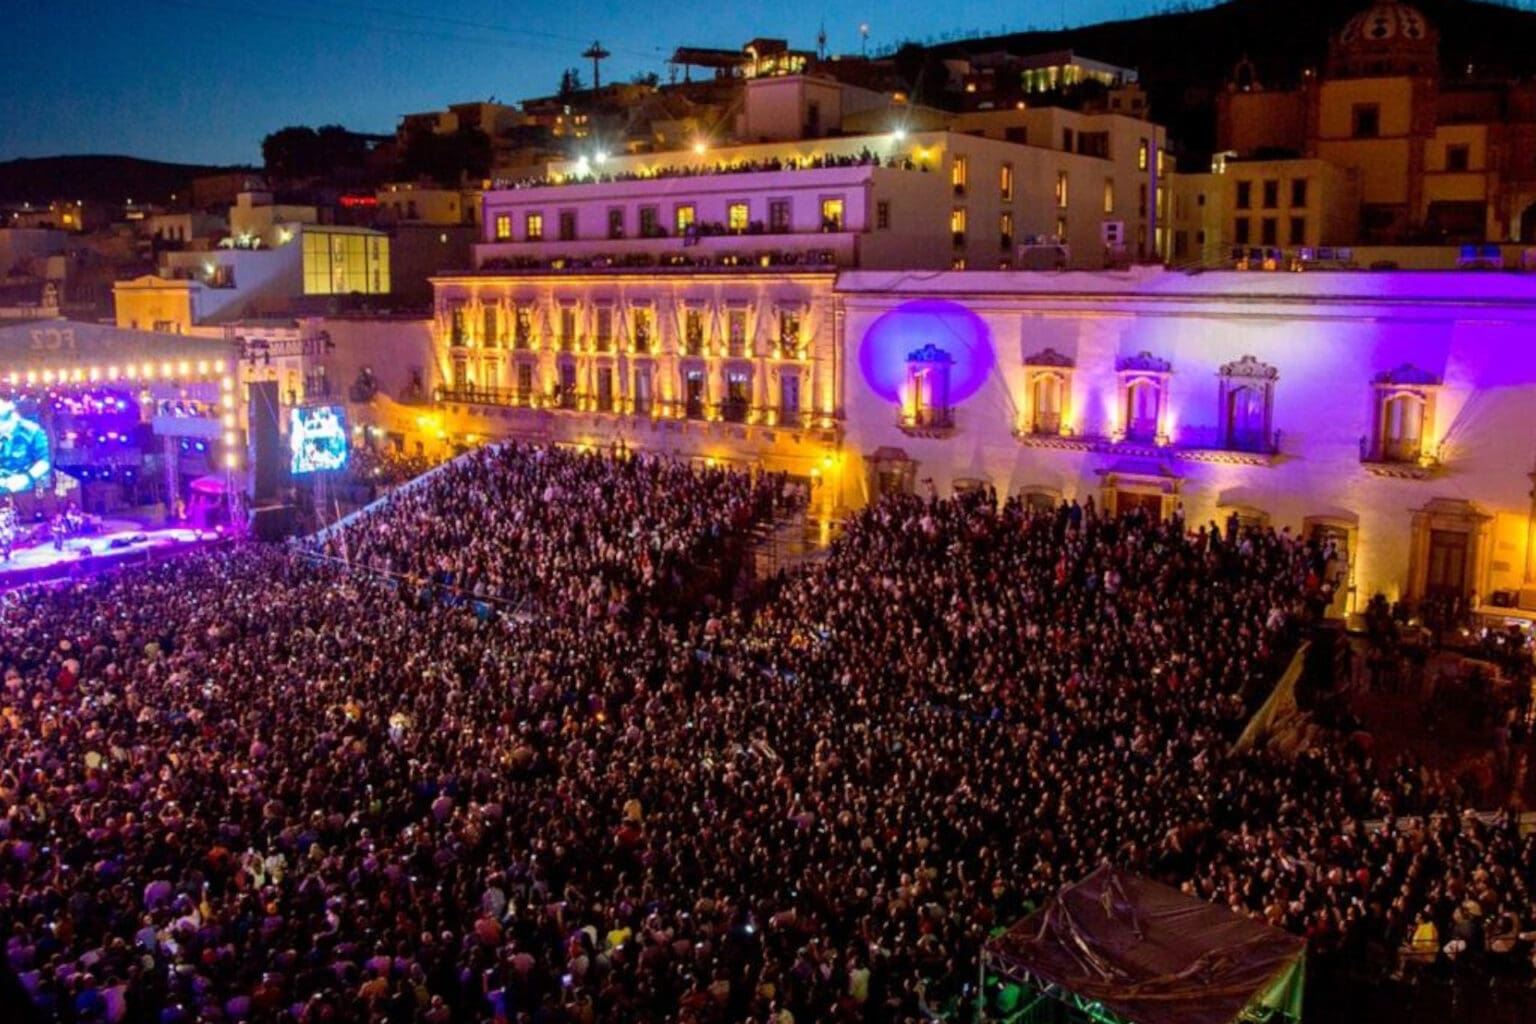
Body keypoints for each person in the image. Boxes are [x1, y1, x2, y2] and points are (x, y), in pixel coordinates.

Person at [0, 395, 49, 494]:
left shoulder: (32, 430)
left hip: (23, 491)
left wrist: (27, 478)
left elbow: (45, 461)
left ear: (11, 404)